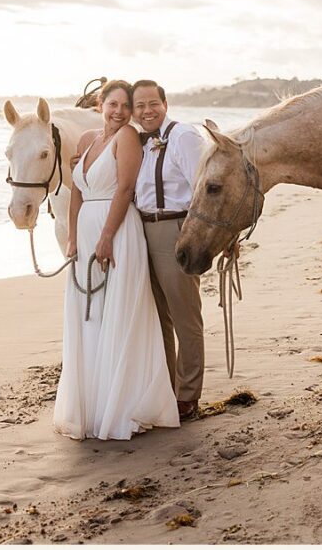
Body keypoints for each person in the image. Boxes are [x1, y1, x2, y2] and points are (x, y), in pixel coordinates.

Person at [53, 79, 180, 440]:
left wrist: (107, 236)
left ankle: (119, 403)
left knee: (117, 312)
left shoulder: (128, 137)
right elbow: (77, 190)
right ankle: (92, 402)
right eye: (114, 105)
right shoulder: (86, 140)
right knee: (89, 316)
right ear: (100, 104)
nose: (120, 112)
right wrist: (74, 237)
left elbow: (124, 188)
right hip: (87, 234)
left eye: (127, 107)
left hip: (118, 233)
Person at [130, 79, 207, 420]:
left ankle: (188, 396)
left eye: (152, 104)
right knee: (157, 318)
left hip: (175, 229)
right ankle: (167, 390)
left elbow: (203, 190)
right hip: (141, 231)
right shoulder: (140, 143)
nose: (147, 111)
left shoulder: (183, 136)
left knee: (184, 317)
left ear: (165, 103)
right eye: (140, 106)